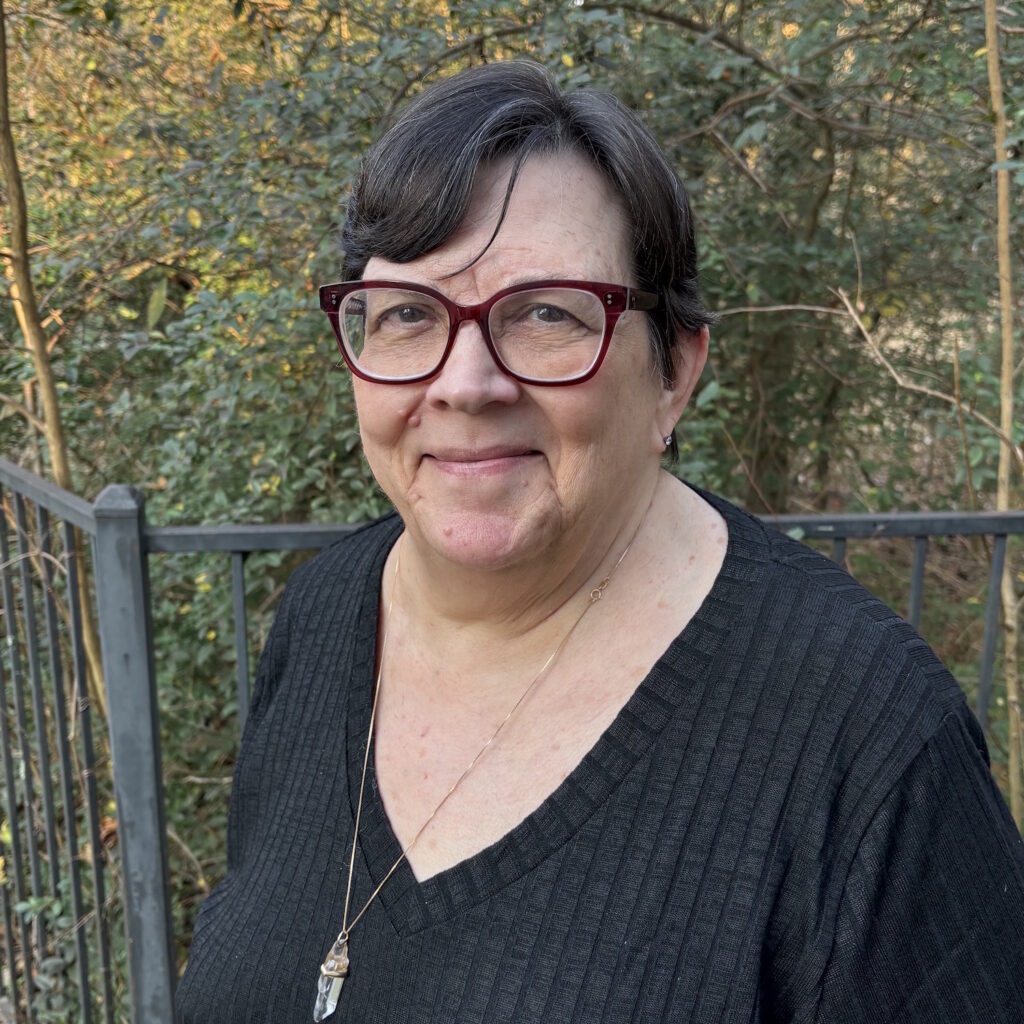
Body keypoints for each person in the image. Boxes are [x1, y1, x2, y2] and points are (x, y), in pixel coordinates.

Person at [176, 61, 1024, 1024]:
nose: (465, 385)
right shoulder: (324, 612)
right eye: (410, 313)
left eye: (547, 313)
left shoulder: (865, 735)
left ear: (673, 374)